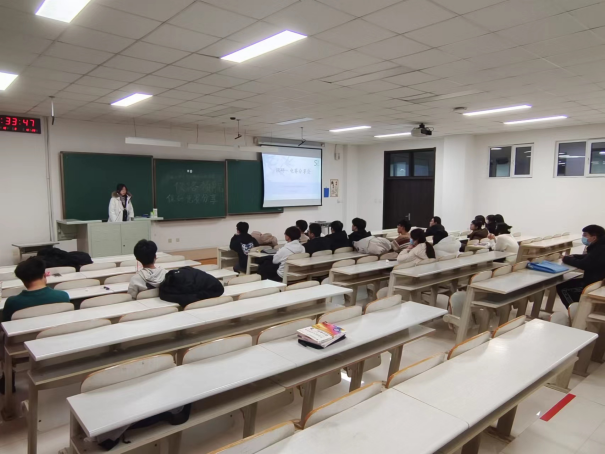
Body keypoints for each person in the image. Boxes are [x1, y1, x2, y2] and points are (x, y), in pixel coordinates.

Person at [3, 257, 71, 322]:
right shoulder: (63, 296)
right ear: (44, 275)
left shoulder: (12, 303)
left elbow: (6, 325)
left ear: (22, 280)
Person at [557, 225, 605, 308]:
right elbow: (589, 258)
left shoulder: (600, 249)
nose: (583, 237)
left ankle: (575, 312)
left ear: (594, 237)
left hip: (594, 284)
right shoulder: (600, 246)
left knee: (562, 288)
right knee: (565, 284)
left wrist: (566, 259)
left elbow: (584, 264)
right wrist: (574, 256)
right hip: (597, 281)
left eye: (585, 235)